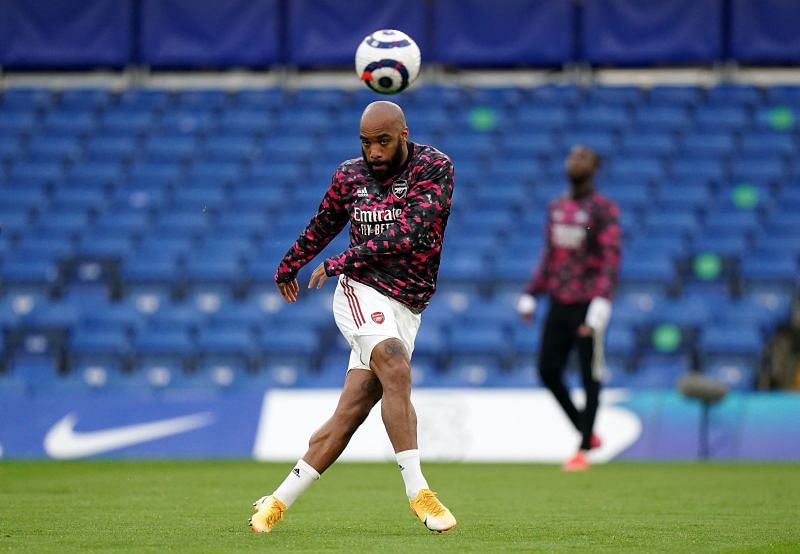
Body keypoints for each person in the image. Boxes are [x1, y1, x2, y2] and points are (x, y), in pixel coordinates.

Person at [249, 101, 456, 534]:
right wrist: (293, 262)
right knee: (394, 364)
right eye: (366, 143)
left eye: (383, 141)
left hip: (408, 303)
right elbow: (325, 222)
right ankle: (419, 491)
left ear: (403, 134)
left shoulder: (434, 168)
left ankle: (277, 501)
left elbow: (411, 232)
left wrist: (343, 256)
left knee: (353, 411)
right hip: (360, 290)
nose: (374, 152)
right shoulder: (350, 175)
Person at [516, 145, 621, 472]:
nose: (573, 161)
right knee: (548, 370)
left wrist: (603, 299)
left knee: (590, 374)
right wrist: (532, 293)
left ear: (594, 167)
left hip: (588, 303)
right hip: (559, 301)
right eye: (571, 156)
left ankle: (583, 450)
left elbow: (610, 257)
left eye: (582, 157)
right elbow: (550, 255)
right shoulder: (557, 207)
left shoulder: (603, 209)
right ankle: (586, 431)